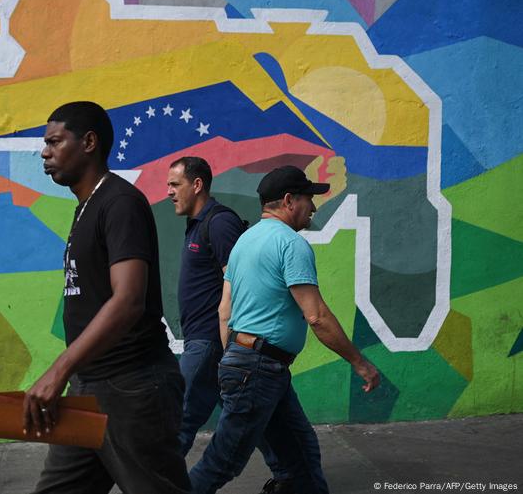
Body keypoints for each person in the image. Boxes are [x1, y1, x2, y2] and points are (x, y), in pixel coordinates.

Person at [24, 102, 190, 493]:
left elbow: (128, 300)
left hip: (132, 388)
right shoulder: (88, 206)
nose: (45, 152)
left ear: (89, 143)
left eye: (55, 142)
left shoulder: (120, 203)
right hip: (91, 385)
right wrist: (72, 373)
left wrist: (59, 370)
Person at [188, 166, 381, 494]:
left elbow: (224, 312)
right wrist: (360, 363)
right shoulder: (291, 244)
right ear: (289, 200)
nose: (313, 207)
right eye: (308, 199)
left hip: (250, 364)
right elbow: (317, 316)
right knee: (222, 462)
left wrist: (232, 360)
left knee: (301, 453)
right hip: (259, 369)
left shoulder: (243, 243)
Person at [167, 157, 291, 494]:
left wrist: (230, 346)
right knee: (250, 417)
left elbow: (240, 282)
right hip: (208, 342)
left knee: (178, 422)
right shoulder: (197, 224)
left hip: (210, 343)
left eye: (175, 184)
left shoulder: (219, 223)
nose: (169, 192)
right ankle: (288, 476)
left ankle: (156, 484)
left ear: (197, 185)